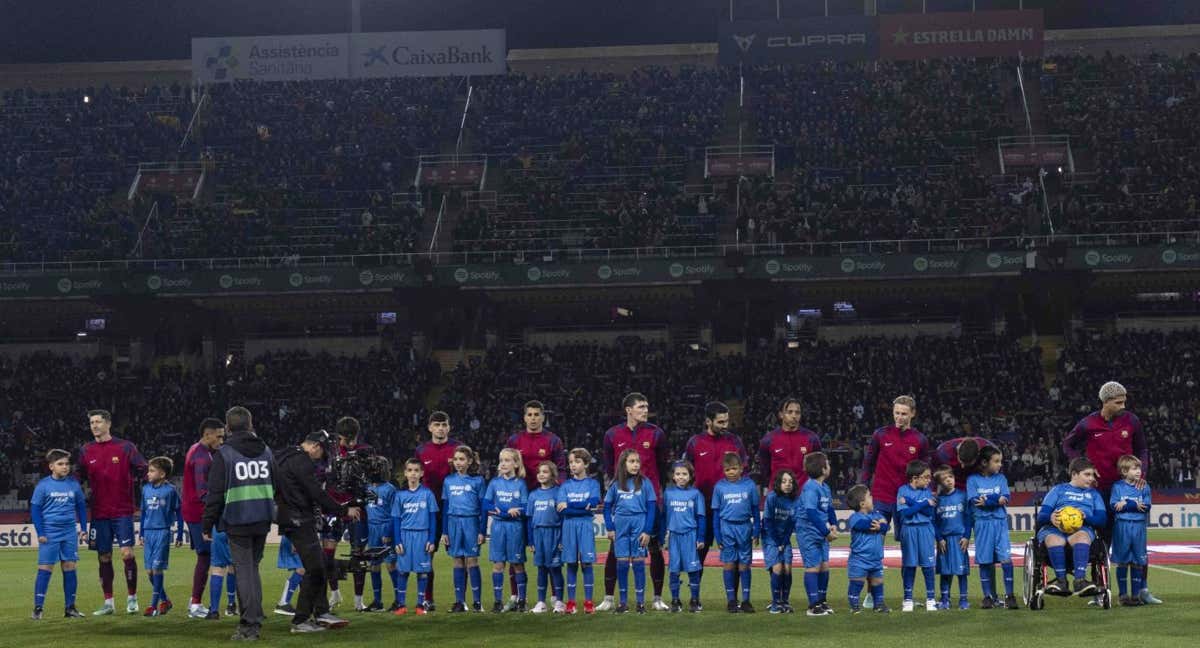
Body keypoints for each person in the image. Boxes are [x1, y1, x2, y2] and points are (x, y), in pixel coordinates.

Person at [1062, 381, 1158, 604]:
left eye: (1124, 400)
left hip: (1128, 488)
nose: (1123, 405)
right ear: (1105, 402)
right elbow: (1067, 445)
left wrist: (1141, 472)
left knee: (1136, 540)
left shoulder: (1132, 421)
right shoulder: (1088, 424)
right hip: (1101, 491)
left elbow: (1143, 449)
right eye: (1118, 402)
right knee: (1101, 542)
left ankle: (1142, 590)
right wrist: (1082, 465)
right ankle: (1099, 591)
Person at [273, 429, 361, 634]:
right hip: (300, 520)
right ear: (315, 446)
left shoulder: (286, 455)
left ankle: (321, 612)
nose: (320, 458)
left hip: (291, 518)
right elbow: (316, 493)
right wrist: (343, 510)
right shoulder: (302, 461)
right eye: (321, 452)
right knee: (315, 569)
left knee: (319, 565)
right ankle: (301, 620)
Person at [203, 406, 279, 641]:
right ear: (250, 424)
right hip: (263, 518)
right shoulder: (266, 451)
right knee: (252, 568)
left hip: (237, 518)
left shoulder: (224, 454)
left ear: (227, 427)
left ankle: (249, 626)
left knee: (244, 571)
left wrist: (207, 524)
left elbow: (214, 494)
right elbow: (276, 484)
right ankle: (256, 615)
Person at [599, 393, 670, 611]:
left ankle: (657, 598)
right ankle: (609, 598)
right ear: (628, 410)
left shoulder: (656, 434)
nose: (645, 410)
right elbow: (609, 467)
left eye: (647, 406)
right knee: (615, 549)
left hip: (649, 501)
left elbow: (663, 467)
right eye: (641, 406)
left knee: (654, 548)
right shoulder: (612, 435)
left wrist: (659, 495)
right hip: (623, 502)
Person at [77, 409, 148, 616]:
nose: (95, 426)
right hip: (99, 513)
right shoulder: (86, 450)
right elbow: (77, 476)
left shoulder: (125, 447)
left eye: (98, 422)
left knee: (127, 553)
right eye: (91, 423)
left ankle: (132, 598)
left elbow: (143, 469)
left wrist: (149, 487)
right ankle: (109, 602)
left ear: (108, 424)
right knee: (104, 556)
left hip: (122, 510)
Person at [504, 401, 566, 607]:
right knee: (515, 549)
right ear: (524, 417)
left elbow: (562, 469)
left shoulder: (553, 440)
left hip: (544, 499)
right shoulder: (514, 440)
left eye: (536, 414)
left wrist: (560, 494)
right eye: (529, 414)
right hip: (519, 500)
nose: (532, 418)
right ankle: (516, 596)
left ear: (542, 417)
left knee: (548, 553)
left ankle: (555, 597)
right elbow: (507, 464)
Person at [682, 401, 748, 573]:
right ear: (708, 421)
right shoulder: (695, 443)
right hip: (702, 508)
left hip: (728, 509)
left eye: (726, 421)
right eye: (720, 422)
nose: (725, 425)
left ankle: (733, 599)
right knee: (697, 553)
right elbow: (685, 473)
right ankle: (695, 598)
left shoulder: (735, 442)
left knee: (733, 556)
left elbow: (744, 471)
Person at [860, 396, 932, 539]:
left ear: (912, 413)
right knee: (876, 534)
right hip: (882, 495)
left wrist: (928, 491)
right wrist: (863, 485)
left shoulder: (920, 439)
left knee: (907, 540)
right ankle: (875, 562)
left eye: (904, 414)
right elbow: (868, 462)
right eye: (896, 413)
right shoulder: (880, 434)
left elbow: (926, 470)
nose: (899, 417)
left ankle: (909, 562)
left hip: (907, 497)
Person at [30, 448, 88, 620]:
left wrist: (83, 528)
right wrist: (40, 532)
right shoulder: (43, 486)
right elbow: (35, 510)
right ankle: (38, 609)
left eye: (67, 464)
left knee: (70, 567)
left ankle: (70, 608)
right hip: (50, 532)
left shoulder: (73, 484)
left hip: (69, 532)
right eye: (60, 464)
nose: (65, 467)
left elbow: (81, 507)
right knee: (46, 568)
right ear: (51, 466)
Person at [1037, 457, 1107, 597]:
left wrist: (1087, 518)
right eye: (1087, 474)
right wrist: (1051, 518)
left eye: (1092, 475)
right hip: (1055, 528)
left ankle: (1079, 581)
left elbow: (1102, 519)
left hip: (1082, 529)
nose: (1091, 478)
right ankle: (1061, 581)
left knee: (1081, 536)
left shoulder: (1094, 494)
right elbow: (1041, 516)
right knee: (1053, 539)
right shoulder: (1058, 490)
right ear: (1074, 474)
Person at [415, 411, 461, 611]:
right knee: (427, 555)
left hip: (454, 509)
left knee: (461, 556)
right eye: (437, 425)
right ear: (430, 428)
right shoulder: (421, 451)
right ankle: (428, 599)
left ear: (449, 427)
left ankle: (461, 601)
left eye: (444, 424)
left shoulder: (458, 448)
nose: (441, 428)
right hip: (430, 510)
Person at [326, 417, 372, 611]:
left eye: (353, 439)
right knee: (327, 554)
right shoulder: (330, 453)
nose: (351, 443)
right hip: (334, 508)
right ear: (339, 437)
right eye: (346, 439)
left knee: (358, 556)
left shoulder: (366, 452)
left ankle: (358, 600)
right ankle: (334, 593)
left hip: (357, 509)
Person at [604, 449, 657, 614]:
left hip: (639, 524)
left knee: (639, 563)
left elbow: (652, 507)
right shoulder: (615, 484)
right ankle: (623, 602)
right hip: (621, 524)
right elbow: (606, 507)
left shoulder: (645, 482)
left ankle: (640, 603)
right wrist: (610, 527)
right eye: (631, 461)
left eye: (637, 462)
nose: (635, 465)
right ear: (623, 464)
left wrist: (647, 531)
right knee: (622, 563)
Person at [183, 418, 225, 618]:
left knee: (205, 557)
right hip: (199, 513)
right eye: (219, 436)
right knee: (206, 556)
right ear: (207, 434)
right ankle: (195, 604)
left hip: (194, 512)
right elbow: (203, 493)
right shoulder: (202, 457)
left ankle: (195, 601)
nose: (221, 440)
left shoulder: (198, 450)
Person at [967, 446, 1017, 609]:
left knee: (1006, 559)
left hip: (1000, 522)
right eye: (996, 461)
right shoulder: (972, 480)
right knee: (985, 561)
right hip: (981, 524)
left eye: (1000, 461)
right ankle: (987, 597)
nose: (999, 465)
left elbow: (1005, 498)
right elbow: (975, 501)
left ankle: (1010, 595)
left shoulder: (1001, 478)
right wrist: (996, 499)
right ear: (984, 462)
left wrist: (988, 500)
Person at [390, 458, 439, 616]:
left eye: (416, 470)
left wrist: (432, 539)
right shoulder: (400, 495)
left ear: (421, 473)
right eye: (410, 470)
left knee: (422, 571)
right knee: (403, 571)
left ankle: (420, 605)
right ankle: (401, 605)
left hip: (422, 536)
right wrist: (397, 540)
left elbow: (432, 518)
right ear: (405, 473)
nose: (413, 474)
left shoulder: (427, 494)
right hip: (405, 535)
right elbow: (396, 519)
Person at [441, 445, 487, 613]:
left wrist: (482, 531)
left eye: (462, 459)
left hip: (471, 523)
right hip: (453, 523)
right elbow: (446, 507)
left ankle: (477, 602)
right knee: (457, 560)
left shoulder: (478, 481)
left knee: (472, 560)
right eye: (456, 459)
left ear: (469, 461)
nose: (458, 463)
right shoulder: (448, 480)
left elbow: (483, 508)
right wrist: (444, 531)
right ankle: (460, 602)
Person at [712, 451, 758, 614]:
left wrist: (756, 530)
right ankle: (731, 600)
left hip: (745, 527)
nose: (731, 472)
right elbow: (716, 514)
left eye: (734, 469)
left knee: (745, 564)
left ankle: (746, 600)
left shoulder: (749, 485)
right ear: (723, 471)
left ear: (741, 468)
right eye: (727, 470)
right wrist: (717, 535)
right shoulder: (719, 487)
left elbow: (754, 509)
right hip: (727, 528)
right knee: (729, 564)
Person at [484, 448, 528, 612]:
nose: (502, 463)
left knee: (517, 564)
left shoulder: (521, 484)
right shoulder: (494, 483)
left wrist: (517, 511)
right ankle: (497, 601)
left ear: (516, 464)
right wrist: (503, 512)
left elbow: (525, 507)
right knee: (498, 564)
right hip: (498, 527)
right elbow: (486, 504)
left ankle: (522, 601)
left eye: (507, 460)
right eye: (501, 460)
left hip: (515, 527)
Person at [139, 456, 184, 616]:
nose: (148, 474)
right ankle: (165, 600)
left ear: (162, 474)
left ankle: (152, 606)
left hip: (162, 532)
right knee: (150, 572)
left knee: (157, 569)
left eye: (152, 471)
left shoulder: (170, 491)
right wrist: (142, 533)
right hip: (149, 532)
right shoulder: (145, 489)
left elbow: (179, 512)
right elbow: (144, 512)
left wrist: (179, 534)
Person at [558, 448, 600, 614]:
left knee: (587, 562)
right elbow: (561, 509)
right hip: (568, 525)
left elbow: (594, 503)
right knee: (571, 562)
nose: (573, 465)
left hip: (585, 525)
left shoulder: (593, 484)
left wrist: (570, 505)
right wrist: (582, 506)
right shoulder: (565, 485)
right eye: (570, 462)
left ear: (586, 464)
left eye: (577, 461)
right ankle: (571, 602)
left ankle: (589, 602)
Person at [662, 460, 705, 614]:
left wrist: (700, 537)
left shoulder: (696, 494)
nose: (681, 477)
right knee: (674, 570)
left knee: (693, 570)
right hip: (674, 537)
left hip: (690, 536)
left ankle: (694, 599)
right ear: (673, 476)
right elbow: (664, 516)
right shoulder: (668, 493)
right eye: (678, 474)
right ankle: (675, 600)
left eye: (684, 474)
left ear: (690, 476)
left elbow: (700, 517)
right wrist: (662, 536)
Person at [796, 452, 836, 616]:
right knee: (813, 567)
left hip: (820, 532)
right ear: (822, 468)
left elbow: (830, 509)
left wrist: (833, 524)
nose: (829, 466)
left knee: (824, 566)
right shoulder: (810, 487)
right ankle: (813, 606)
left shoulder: (825, 487)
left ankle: (821, 600)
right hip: (808, 533)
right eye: (827, 463)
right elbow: (811, 513)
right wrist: (826, 531)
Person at [1110, 454, 1151, 606]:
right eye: (1134, 468)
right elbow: (1114, 506)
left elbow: (1146, 507)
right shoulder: (1117, 487)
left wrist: (1126, 503)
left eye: (1139, 468)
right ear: (1124, 471)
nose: (1138, 471)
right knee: (1122, 561)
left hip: (1139, 527)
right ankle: (1122, 596)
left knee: (1137, 561)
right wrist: (1133, 504)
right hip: (1122, 526)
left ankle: (1135, 596)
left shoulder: (1144, 486)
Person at [896, 460, 937, 613]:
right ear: (915, 478)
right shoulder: (902, 490)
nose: (929, 480)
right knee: (909, 566)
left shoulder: (927, 491)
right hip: (909, 530)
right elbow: (904, 513)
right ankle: (907, 599)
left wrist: (911, 502)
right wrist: (923, 503)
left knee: (928, 566)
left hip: (926, 529)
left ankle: (931, 599)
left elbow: (929, 513)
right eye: (926, 477)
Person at [757, 397, 822, 489]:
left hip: (804, 495)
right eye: (789, 412)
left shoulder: (812, 438)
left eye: (797, 412)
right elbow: (765, 469)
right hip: (778, 496)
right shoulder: (768, 440)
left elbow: (818, 467)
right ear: (781, 415)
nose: (794, 416)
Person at [526, 461, 565, 613]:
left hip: (554, 533)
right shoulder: (533, 495)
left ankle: (559, 602)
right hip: (538, 534)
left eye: (545, 472)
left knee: (555, 569)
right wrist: (530, 540)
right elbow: (529, 519)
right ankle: (541, 602)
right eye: (539, 472)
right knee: (541, 568)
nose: (541, 474)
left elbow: (562, 518)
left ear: (553, 474)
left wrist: (562, 539)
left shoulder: (559, 493)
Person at [845, 484, 890, 614]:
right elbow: (861, 525)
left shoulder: (876, 514)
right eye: (870, 496)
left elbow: (886, 525)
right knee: (857, 582)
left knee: (878, 582)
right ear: (863, 503)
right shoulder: (855, 518)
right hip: (859, 559)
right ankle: (854, 606)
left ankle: (879, 605)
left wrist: (881, 526)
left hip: (876, 559)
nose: (872, 498)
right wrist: (877, 525)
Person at [932, 464, 971, 610]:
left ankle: (963, 600)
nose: (949, 480)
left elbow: (968, 518)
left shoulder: (962, 496)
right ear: (939, 483)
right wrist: (939, 538)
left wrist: (967, 536)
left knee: (962, 572)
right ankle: (944, 599)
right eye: (944, 478)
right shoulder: (937, 501)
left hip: (959, 539)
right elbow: (934, 522)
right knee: (945, 572)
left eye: (951, 477)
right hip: (945, 541)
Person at [364, 458, 398, 612]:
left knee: (390, 564)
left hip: (385, 527)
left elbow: (395, 513)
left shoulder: (390, 489)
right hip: (372, 529)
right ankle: (377, 601)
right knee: (374, 565)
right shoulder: (366, 487)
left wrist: (388, 532)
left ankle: (399, 599)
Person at [761, 469, 798, 614]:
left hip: (784, 539)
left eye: (790, 481)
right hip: (771, 538)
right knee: (777, 568)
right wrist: (778, 542)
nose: (788, 484)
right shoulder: (772, 498)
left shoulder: (795, 500)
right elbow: (768, 521)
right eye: (784, 481)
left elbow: (790, 524)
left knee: (787, 569)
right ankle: (776, 603)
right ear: (778, 483)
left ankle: (785, 601)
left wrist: (784, 541)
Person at [272, 535, 305, 616]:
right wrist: (294, 542)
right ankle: (283, 603)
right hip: (294, 538)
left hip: (296, 538)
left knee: (304, 570)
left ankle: (304, 604)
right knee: (302, 569)